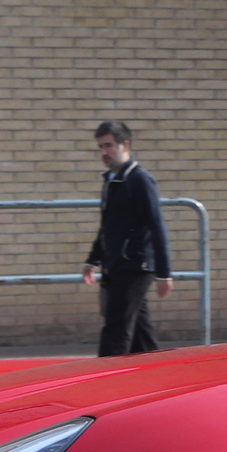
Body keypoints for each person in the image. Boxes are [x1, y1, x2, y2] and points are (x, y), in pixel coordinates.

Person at [81, 121, 173, 355]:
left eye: (109, 145)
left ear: (125, 145)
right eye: (101, 147)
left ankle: (105, 382)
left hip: (136, 266)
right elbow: (107, 226)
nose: (104, 152)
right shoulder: (112, 181)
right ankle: (157, 376)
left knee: (116, 329)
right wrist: (93, 260)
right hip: (117, 265)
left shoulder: (139, 180)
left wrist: (164, 273)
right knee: (141, 335)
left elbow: (157, 226)